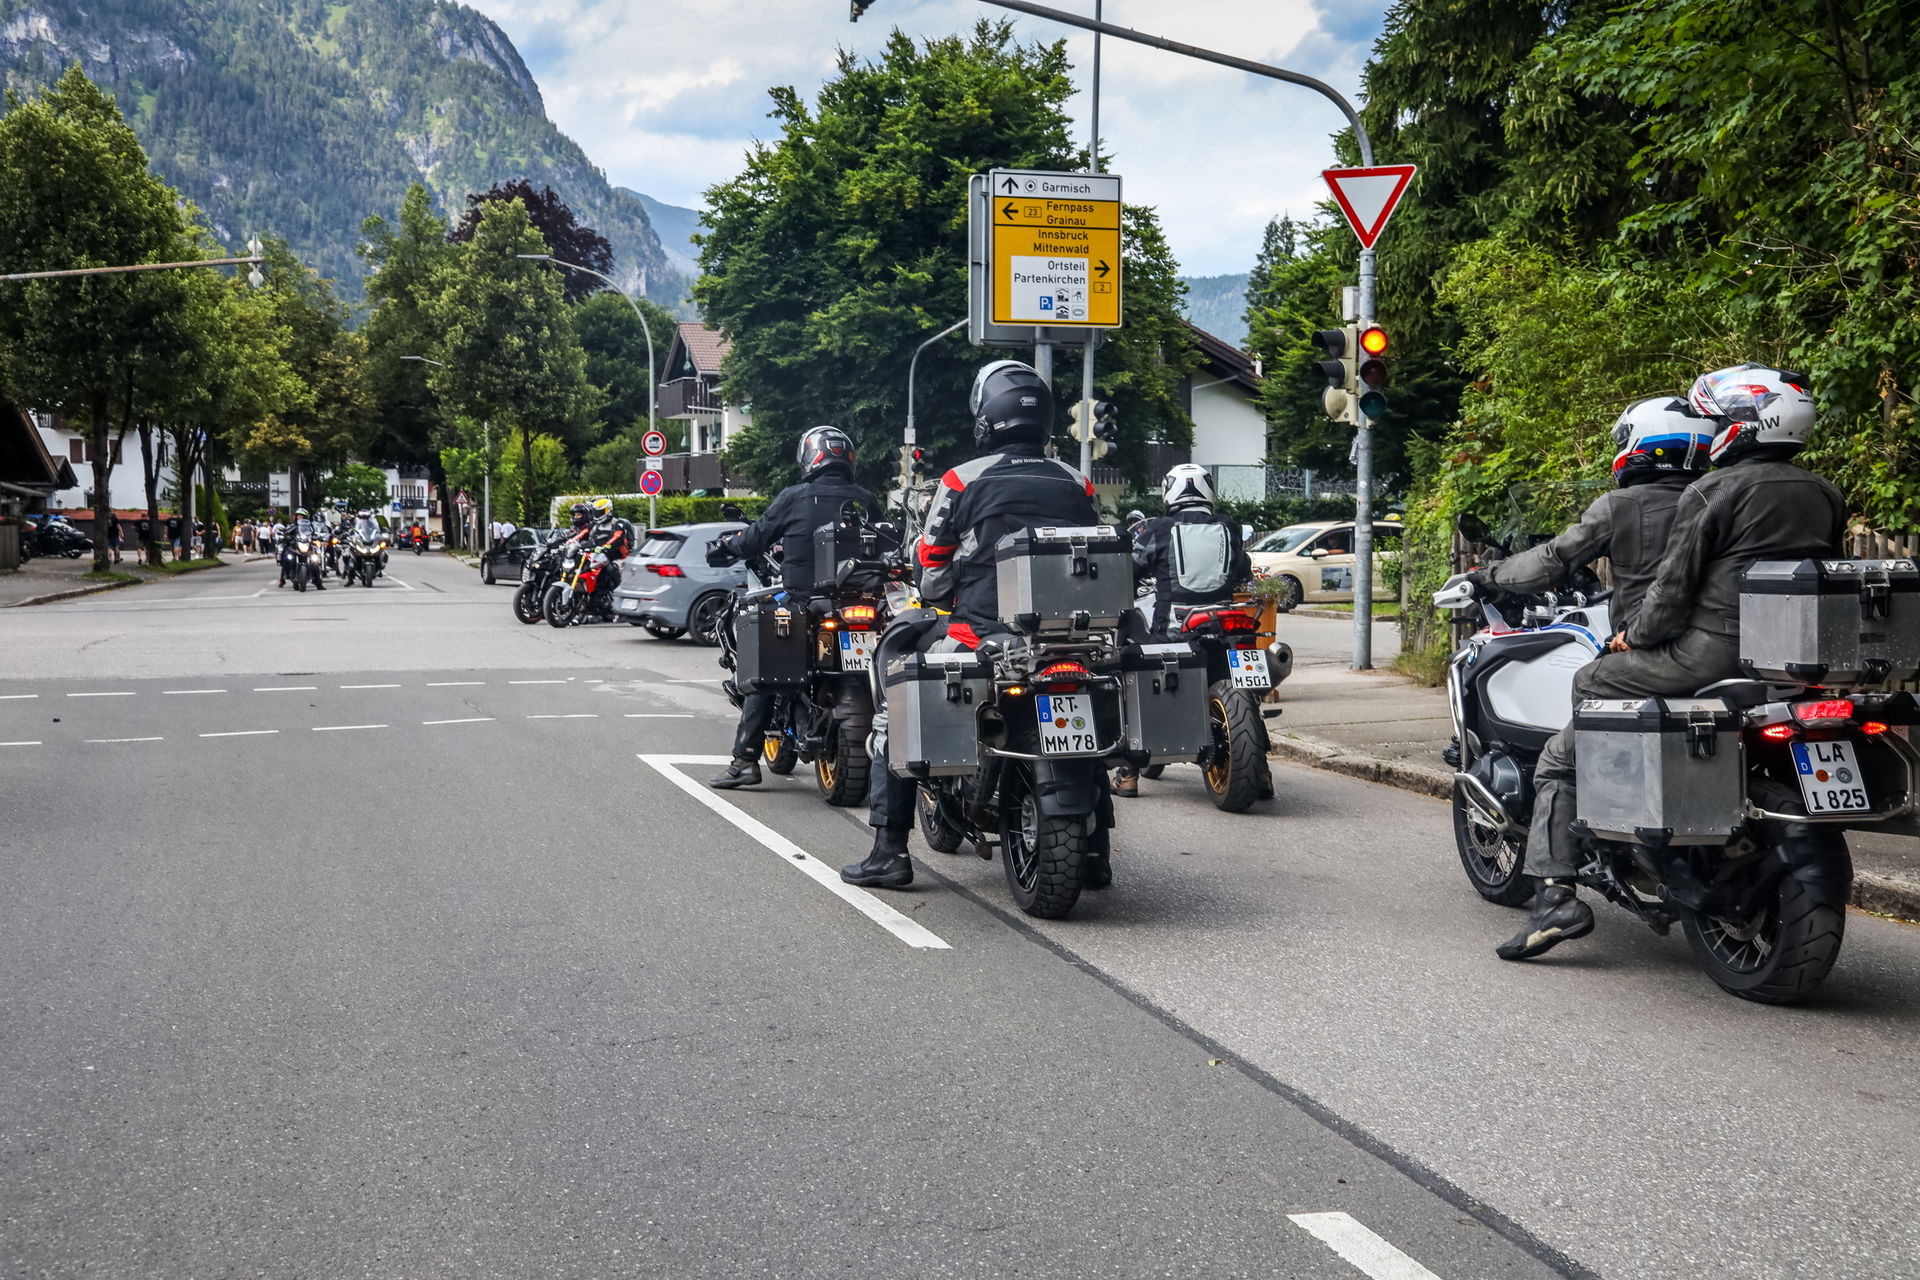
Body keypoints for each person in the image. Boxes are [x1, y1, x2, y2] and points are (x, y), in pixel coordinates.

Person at [1494, 367, 1847, 961]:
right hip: (1791, 659)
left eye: (1719, 419)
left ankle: (1561, 883)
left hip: (1706, 653)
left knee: (1578, 710)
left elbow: (1673, 587)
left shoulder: (1713, 490)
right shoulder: (1823, 491)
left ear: (1743, 425)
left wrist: (1632, 637)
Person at [841, 361, 1101, 889]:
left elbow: (933, 570)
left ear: (985, 418)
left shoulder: (962, 479)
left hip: (980, 637)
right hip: (1066, 643)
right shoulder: (1078, 482)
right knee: (1086, 728)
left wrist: (944, 586)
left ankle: (889, 852)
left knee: (894, 716)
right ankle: (1095, 855)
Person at [708, 427, 875, 790]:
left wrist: (726, 545)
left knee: (766, 664)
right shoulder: (865, 499)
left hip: (804, 601)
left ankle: (745, 760)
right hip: (862, 603)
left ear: (809, 457)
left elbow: (754, 539)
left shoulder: (794, 497)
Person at [1111, 463, 1253, 798]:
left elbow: (1130, 569)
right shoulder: (1228, 526)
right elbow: (1242, 569)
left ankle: (1128, 772)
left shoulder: (1157, 529)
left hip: (1174, 629)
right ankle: (1262, 775)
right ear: (1207, 491)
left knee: (1126, 655)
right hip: (1225, 623)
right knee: (1249, 685)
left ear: (1169, 492)